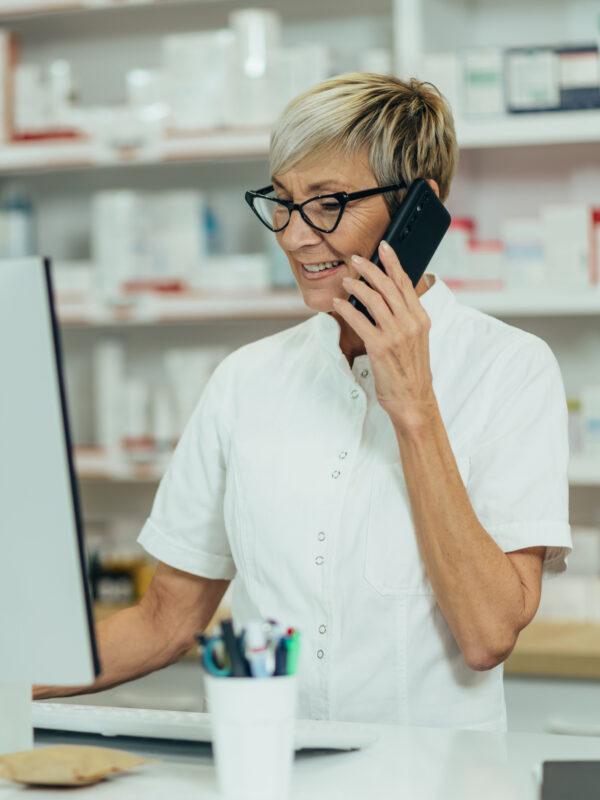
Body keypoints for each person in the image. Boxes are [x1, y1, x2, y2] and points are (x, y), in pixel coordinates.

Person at [36, 73, 572, 731]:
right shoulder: (246, 381)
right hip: (263, 771)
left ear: (417, 209)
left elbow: (489, 633)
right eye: (283, 202)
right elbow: (164, 621)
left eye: (328, 203)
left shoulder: (510, 370)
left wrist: (413, 407)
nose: (294, 237)